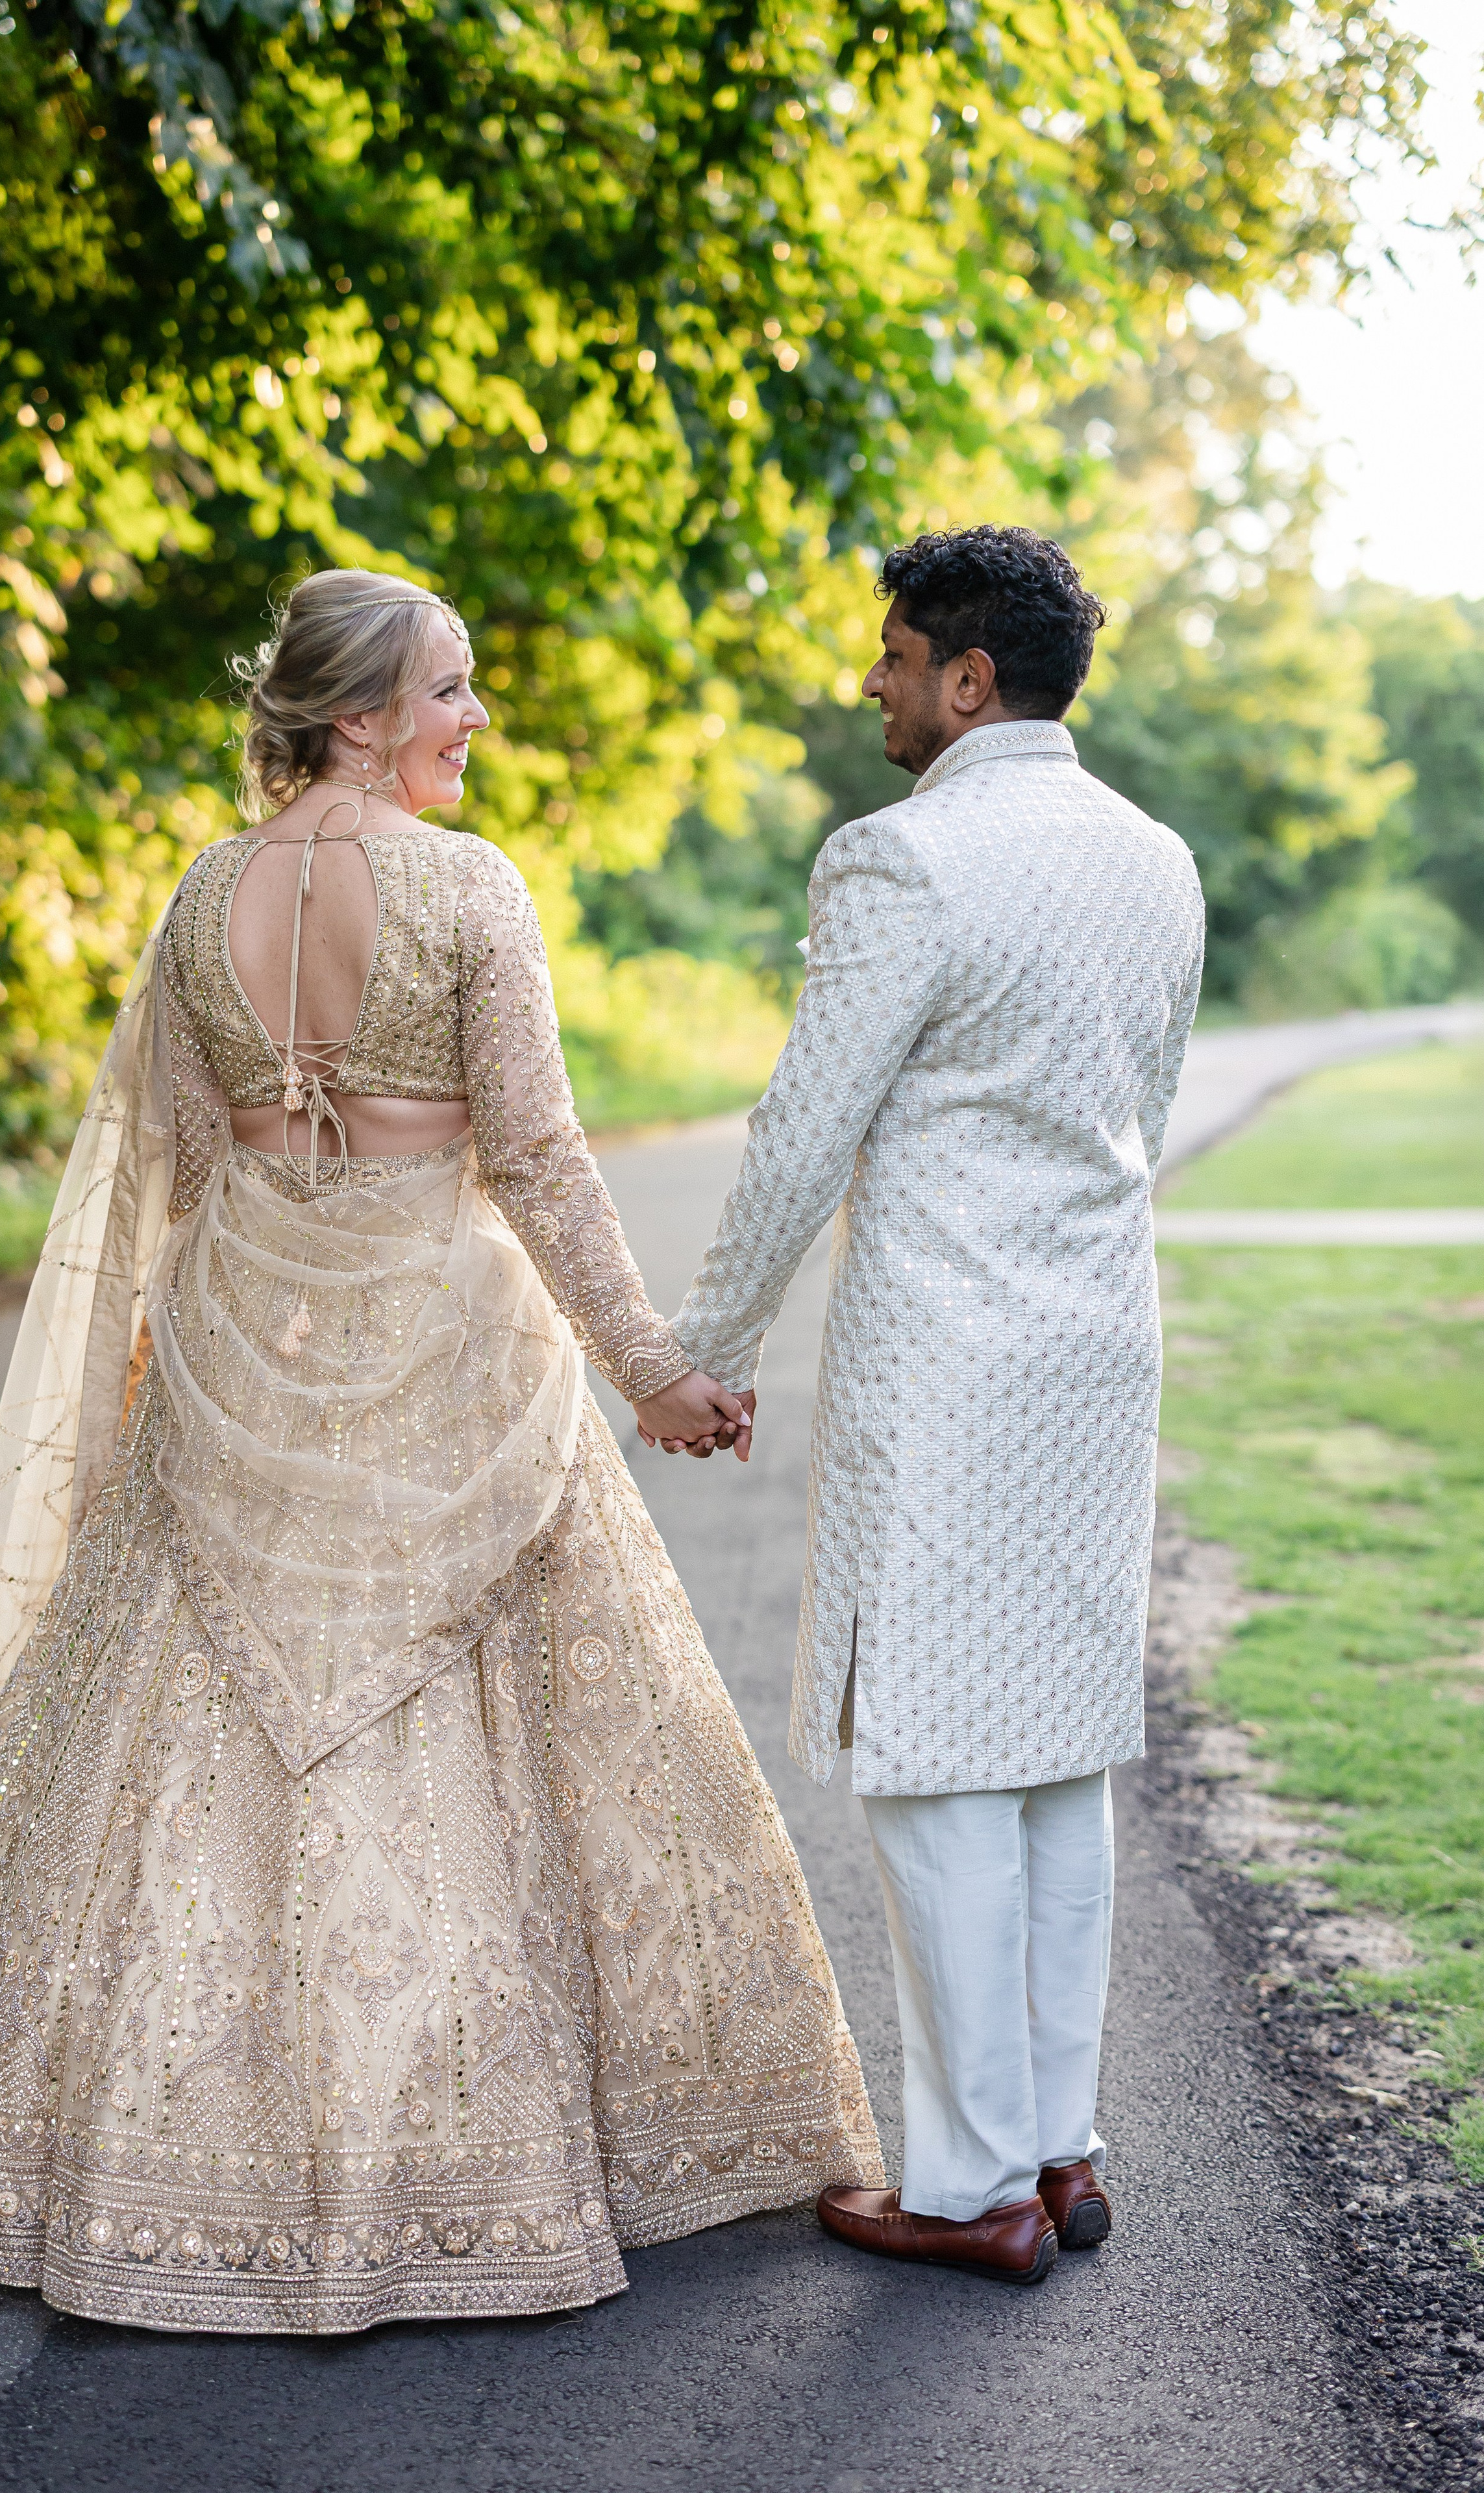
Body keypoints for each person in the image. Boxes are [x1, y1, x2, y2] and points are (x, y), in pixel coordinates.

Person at [0, 568, 882, 2335]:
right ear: (360, 716)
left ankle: (120, 2139)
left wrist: (171, 1383)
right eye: (451, 692)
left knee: (186, 1719)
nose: (475, 722)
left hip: (251, 1318)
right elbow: (534, 1158)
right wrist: (650, 1370)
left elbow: (175, 1152)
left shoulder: (201, 893)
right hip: (445, 1336)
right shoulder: (467, 889)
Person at [669, 526, 1204, 2286]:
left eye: (896, 656)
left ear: (970, 680)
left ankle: (968, 2186)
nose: (876, 684)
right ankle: (1058, 2148)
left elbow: (804, 1131)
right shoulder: (1159, 860)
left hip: (955, 1370)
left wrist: (710, 1342)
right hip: (1099, 1355)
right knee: (1055, 1753)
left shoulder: (904, 862)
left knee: (929, 1764)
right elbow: (1144, 1107)